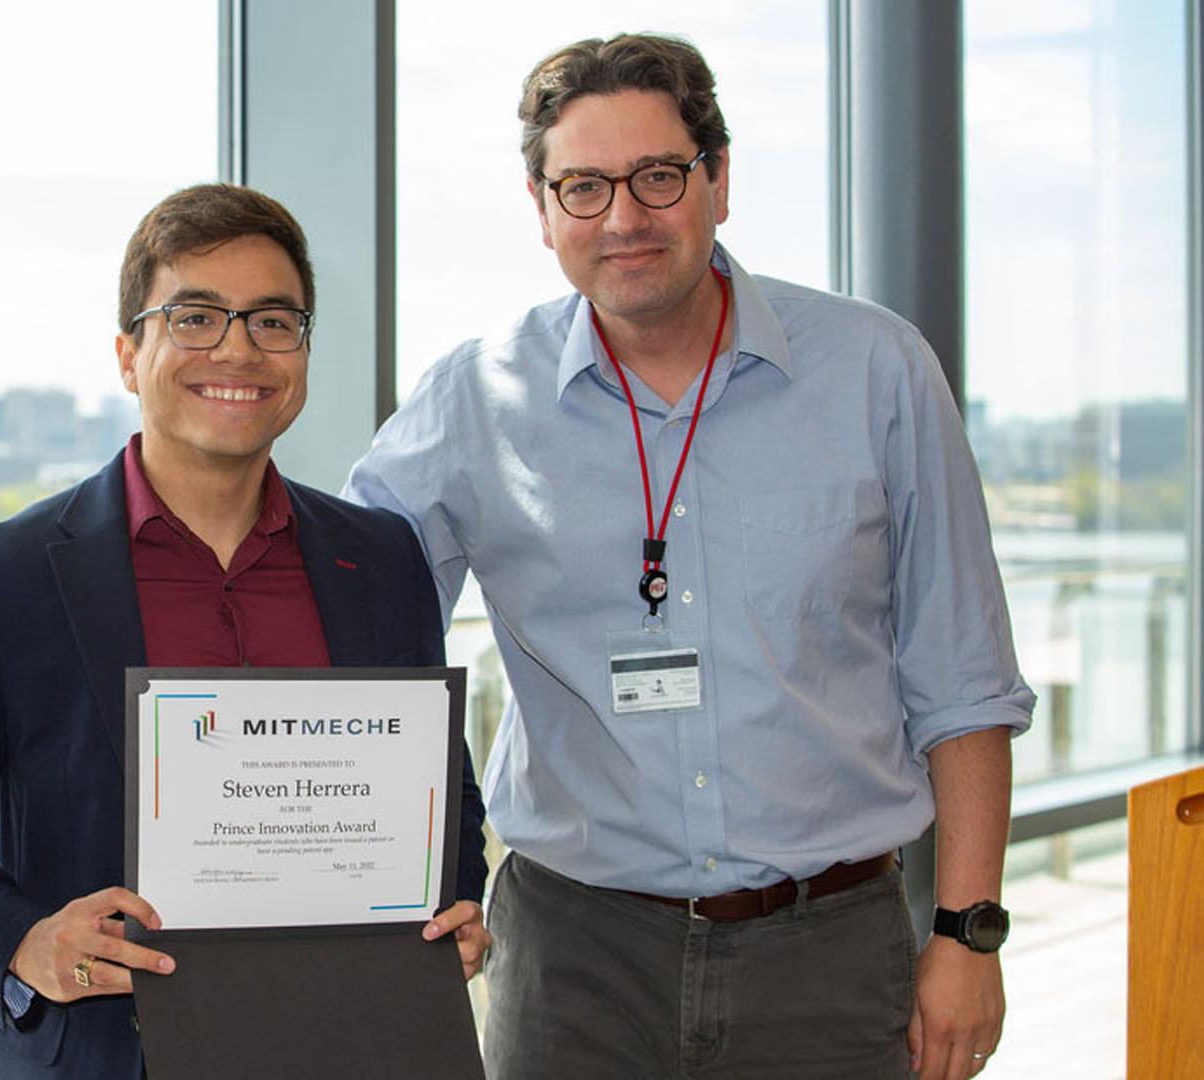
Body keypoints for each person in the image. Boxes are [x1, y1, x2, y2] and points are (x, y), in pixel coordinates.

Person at [345, 34, 1035, 1080]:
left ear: (716, 178)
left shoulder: (874, 370)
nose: (621, 217)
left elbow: (963, 681)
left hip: (830, 951)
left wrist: (966, 933)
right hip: (574, 957)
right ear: (540, 210)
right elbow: (342, 618)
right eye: (582, 187)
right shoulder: (472, 398)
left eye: (656, 177)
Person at [0, 183, 491, 1079]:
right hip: (99, 1054)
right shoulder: (3, 573)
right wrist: (22, 941)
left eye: (273, 322)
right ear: (130, 354)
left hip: (357, 1043)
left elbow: (443, 789)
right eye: (195, 317)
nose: (238, 348)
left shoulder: (381, 558)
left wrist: (454, 901)